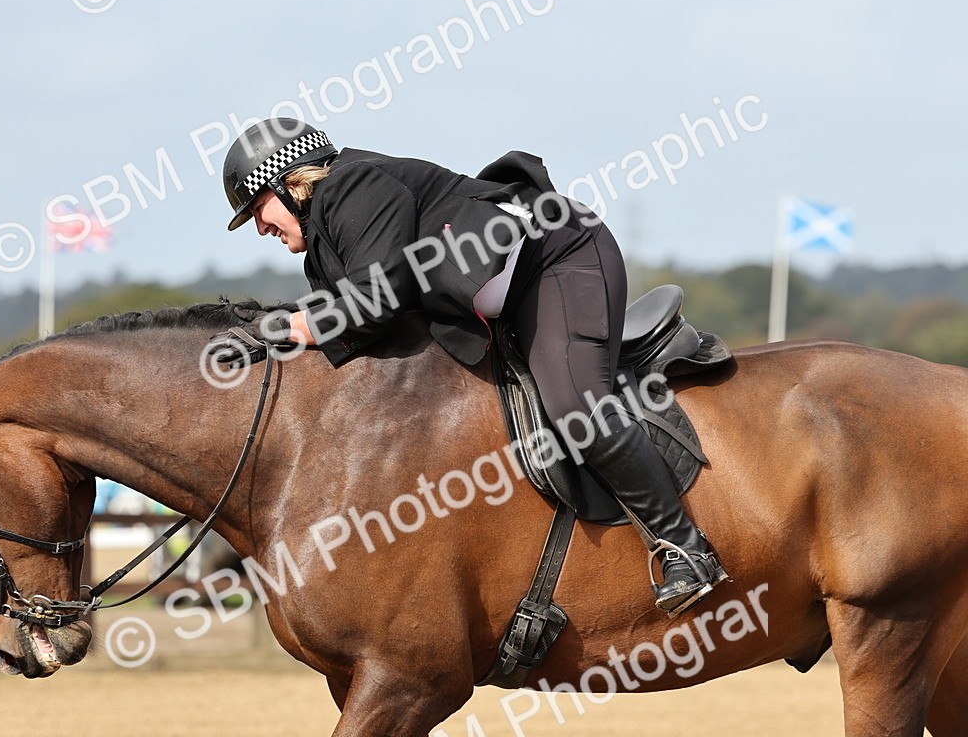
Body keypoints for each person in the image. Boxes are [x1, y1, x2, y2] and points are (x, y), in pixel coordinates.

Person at [210, 118, 727, 615]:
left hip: (559, 259)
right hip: (505, 300)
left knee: (574, 407)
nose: (259, 228)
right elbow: (355, 335)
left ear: (291, 183)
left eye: (258, 208)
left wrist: (281, 329)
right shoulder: (321, 248)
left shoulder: (353, 186)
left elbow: (373, 305)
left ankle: (686, 548)